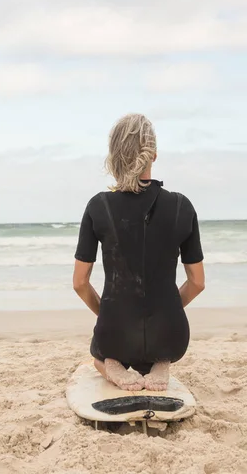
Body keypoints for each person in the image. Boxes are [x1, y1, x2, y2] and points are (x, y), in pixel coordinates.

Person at [73, 114, 205, 392]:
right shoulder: (182, 205)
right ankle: (161, 362)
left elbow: (80, 283)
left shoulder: (98, 206)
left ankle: (110, 364)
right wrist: (163, 310)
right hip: (170, 334)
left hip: (115, 332)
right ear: (153, 155)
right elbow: (197, 283)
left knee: (98, 355)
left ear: (114, 155)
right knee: (160, 341)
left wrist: (108, 313)